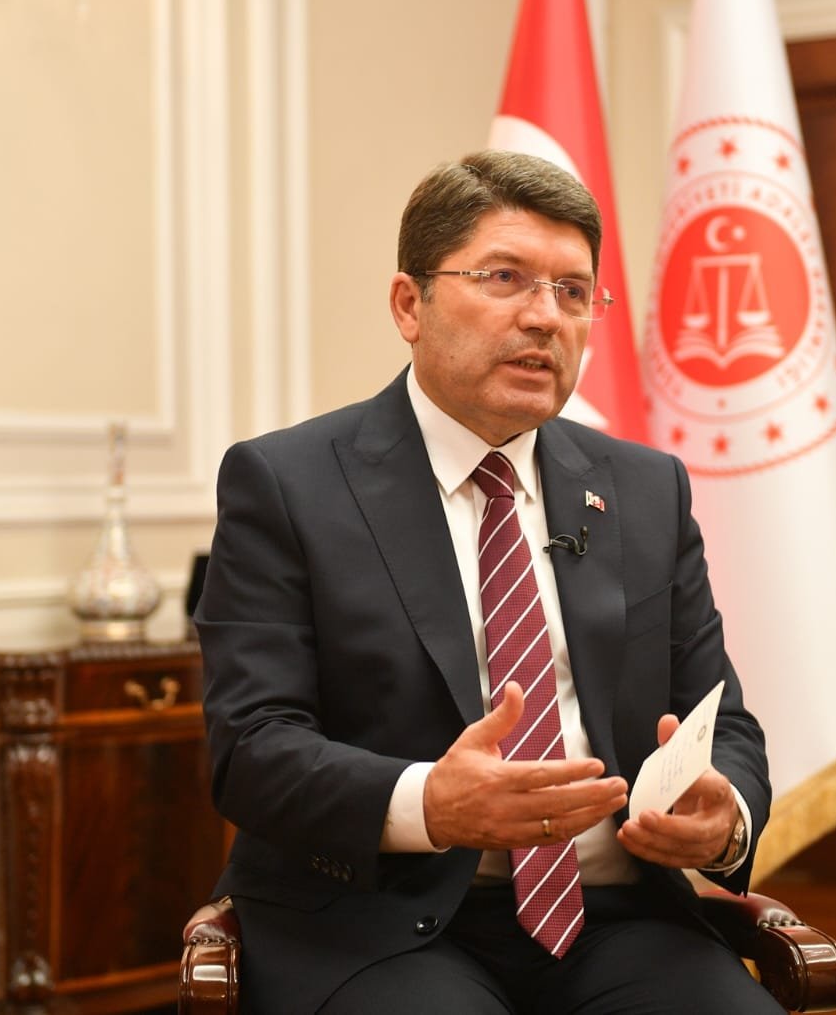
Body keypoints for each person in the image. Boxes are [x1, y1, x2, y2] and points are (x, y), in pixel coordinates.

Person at [195, 150, 776, 1014]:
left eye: (574, 292)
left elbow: (721, 718)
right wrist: (429, 802)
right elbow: (251, 748)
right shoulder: (288, 484)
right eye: (505, 277)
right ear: (409, 304)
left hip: (616, 917)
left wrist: (721, 814)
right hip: (374, 921)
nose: (545, 317)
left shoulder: (647, 488)